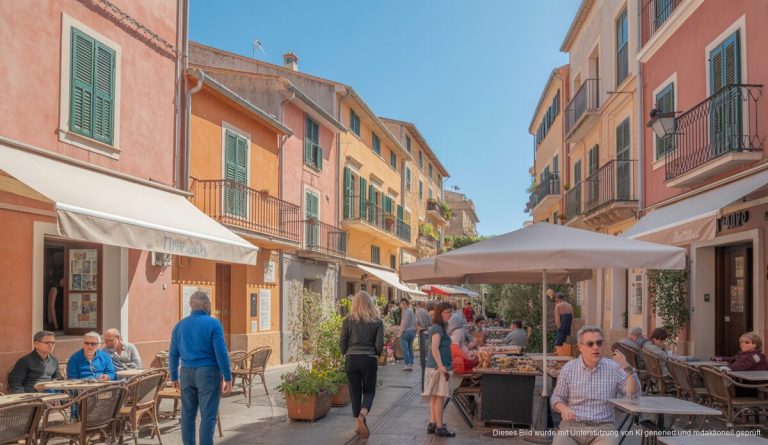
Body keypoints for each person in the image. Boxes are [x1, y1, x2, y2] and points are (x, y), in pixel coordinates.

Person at [551, 325, 640, 445]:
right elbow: (556, 398)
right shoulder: (568, 368)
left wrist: (628, 369)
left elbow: (633, 394)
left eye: (599, 343)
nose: (595, 347)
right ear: (580, 347)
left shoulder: (614, 367)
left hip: (603, 428)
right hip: (571, 427)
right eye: (590, 344)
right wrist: (563, 408)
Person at [169, 291, 232, 445]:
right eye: (209, 304)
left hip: (186, 373)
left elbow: (173, 354)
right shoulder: (214, 324)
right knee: (208, 417)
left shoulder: (179, 326)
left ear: (191, 306)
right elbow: (221, 352)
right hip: (208, 373)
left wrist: (173, 376)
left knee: (187, 416)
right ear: (206, 305)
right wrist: (228, 376)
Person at [339, 291, 384, 439]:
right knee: (369, 391)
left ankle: (358, 425)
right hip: (369, 358)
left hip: (351, 358)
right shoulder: (377, 321)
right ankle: (362, 414)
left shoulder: (348, 320)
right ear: (370, 303)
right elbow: (379, 345)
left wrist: (346, 352)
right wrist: (375, 354)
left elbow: (342, 342)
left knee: (355, 391)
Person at [423, 302, 456, 437]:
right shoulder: (437, 328)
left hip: (435, 366)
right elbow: (434, 348)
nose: (450, 314)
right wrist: (441, 366)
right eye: (447, 312)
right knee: (440, 397)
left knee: (435, 396)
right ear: (440, 313)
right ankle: (439, 426)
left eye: (450, 312)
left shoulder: (440, 327)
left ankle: (432, 423)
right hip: (438, 367)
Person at [415, 301, 434, 391]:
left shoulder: (419, 311)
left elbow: (418, 323)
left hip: (424, 335)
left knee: (424, 363)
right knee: (426, 362)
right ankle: (426, 387)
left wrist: (419, 329)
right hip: (428, 335)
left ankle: (424, 387)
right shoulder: (427, 313)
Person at [399, 298, 417, 371]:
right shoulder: (411, 310)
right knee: (410, 347)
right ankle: (411, 363)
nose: (400, 305)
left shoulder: (406, 312)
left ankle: (408, 364)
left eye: (401, 304)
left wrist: (400, 333)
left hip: (406, 332)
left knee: (405, 348)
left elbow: (404, 323)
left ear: (404, 304)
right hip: (412, 331)